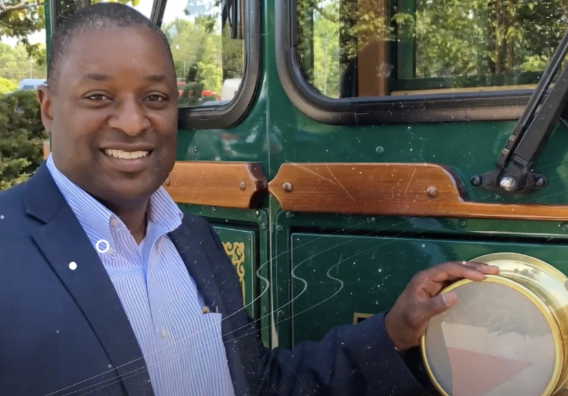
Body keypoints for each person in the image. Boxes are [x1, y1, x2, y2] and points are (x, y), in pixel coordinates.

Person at [0, 3, 499, 396]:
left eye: (155, 99)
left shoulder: (192, 240)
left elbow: (255, 384)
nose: (132, 123)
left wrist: (393, 331)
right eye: (98, 97)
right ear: (48, 107)